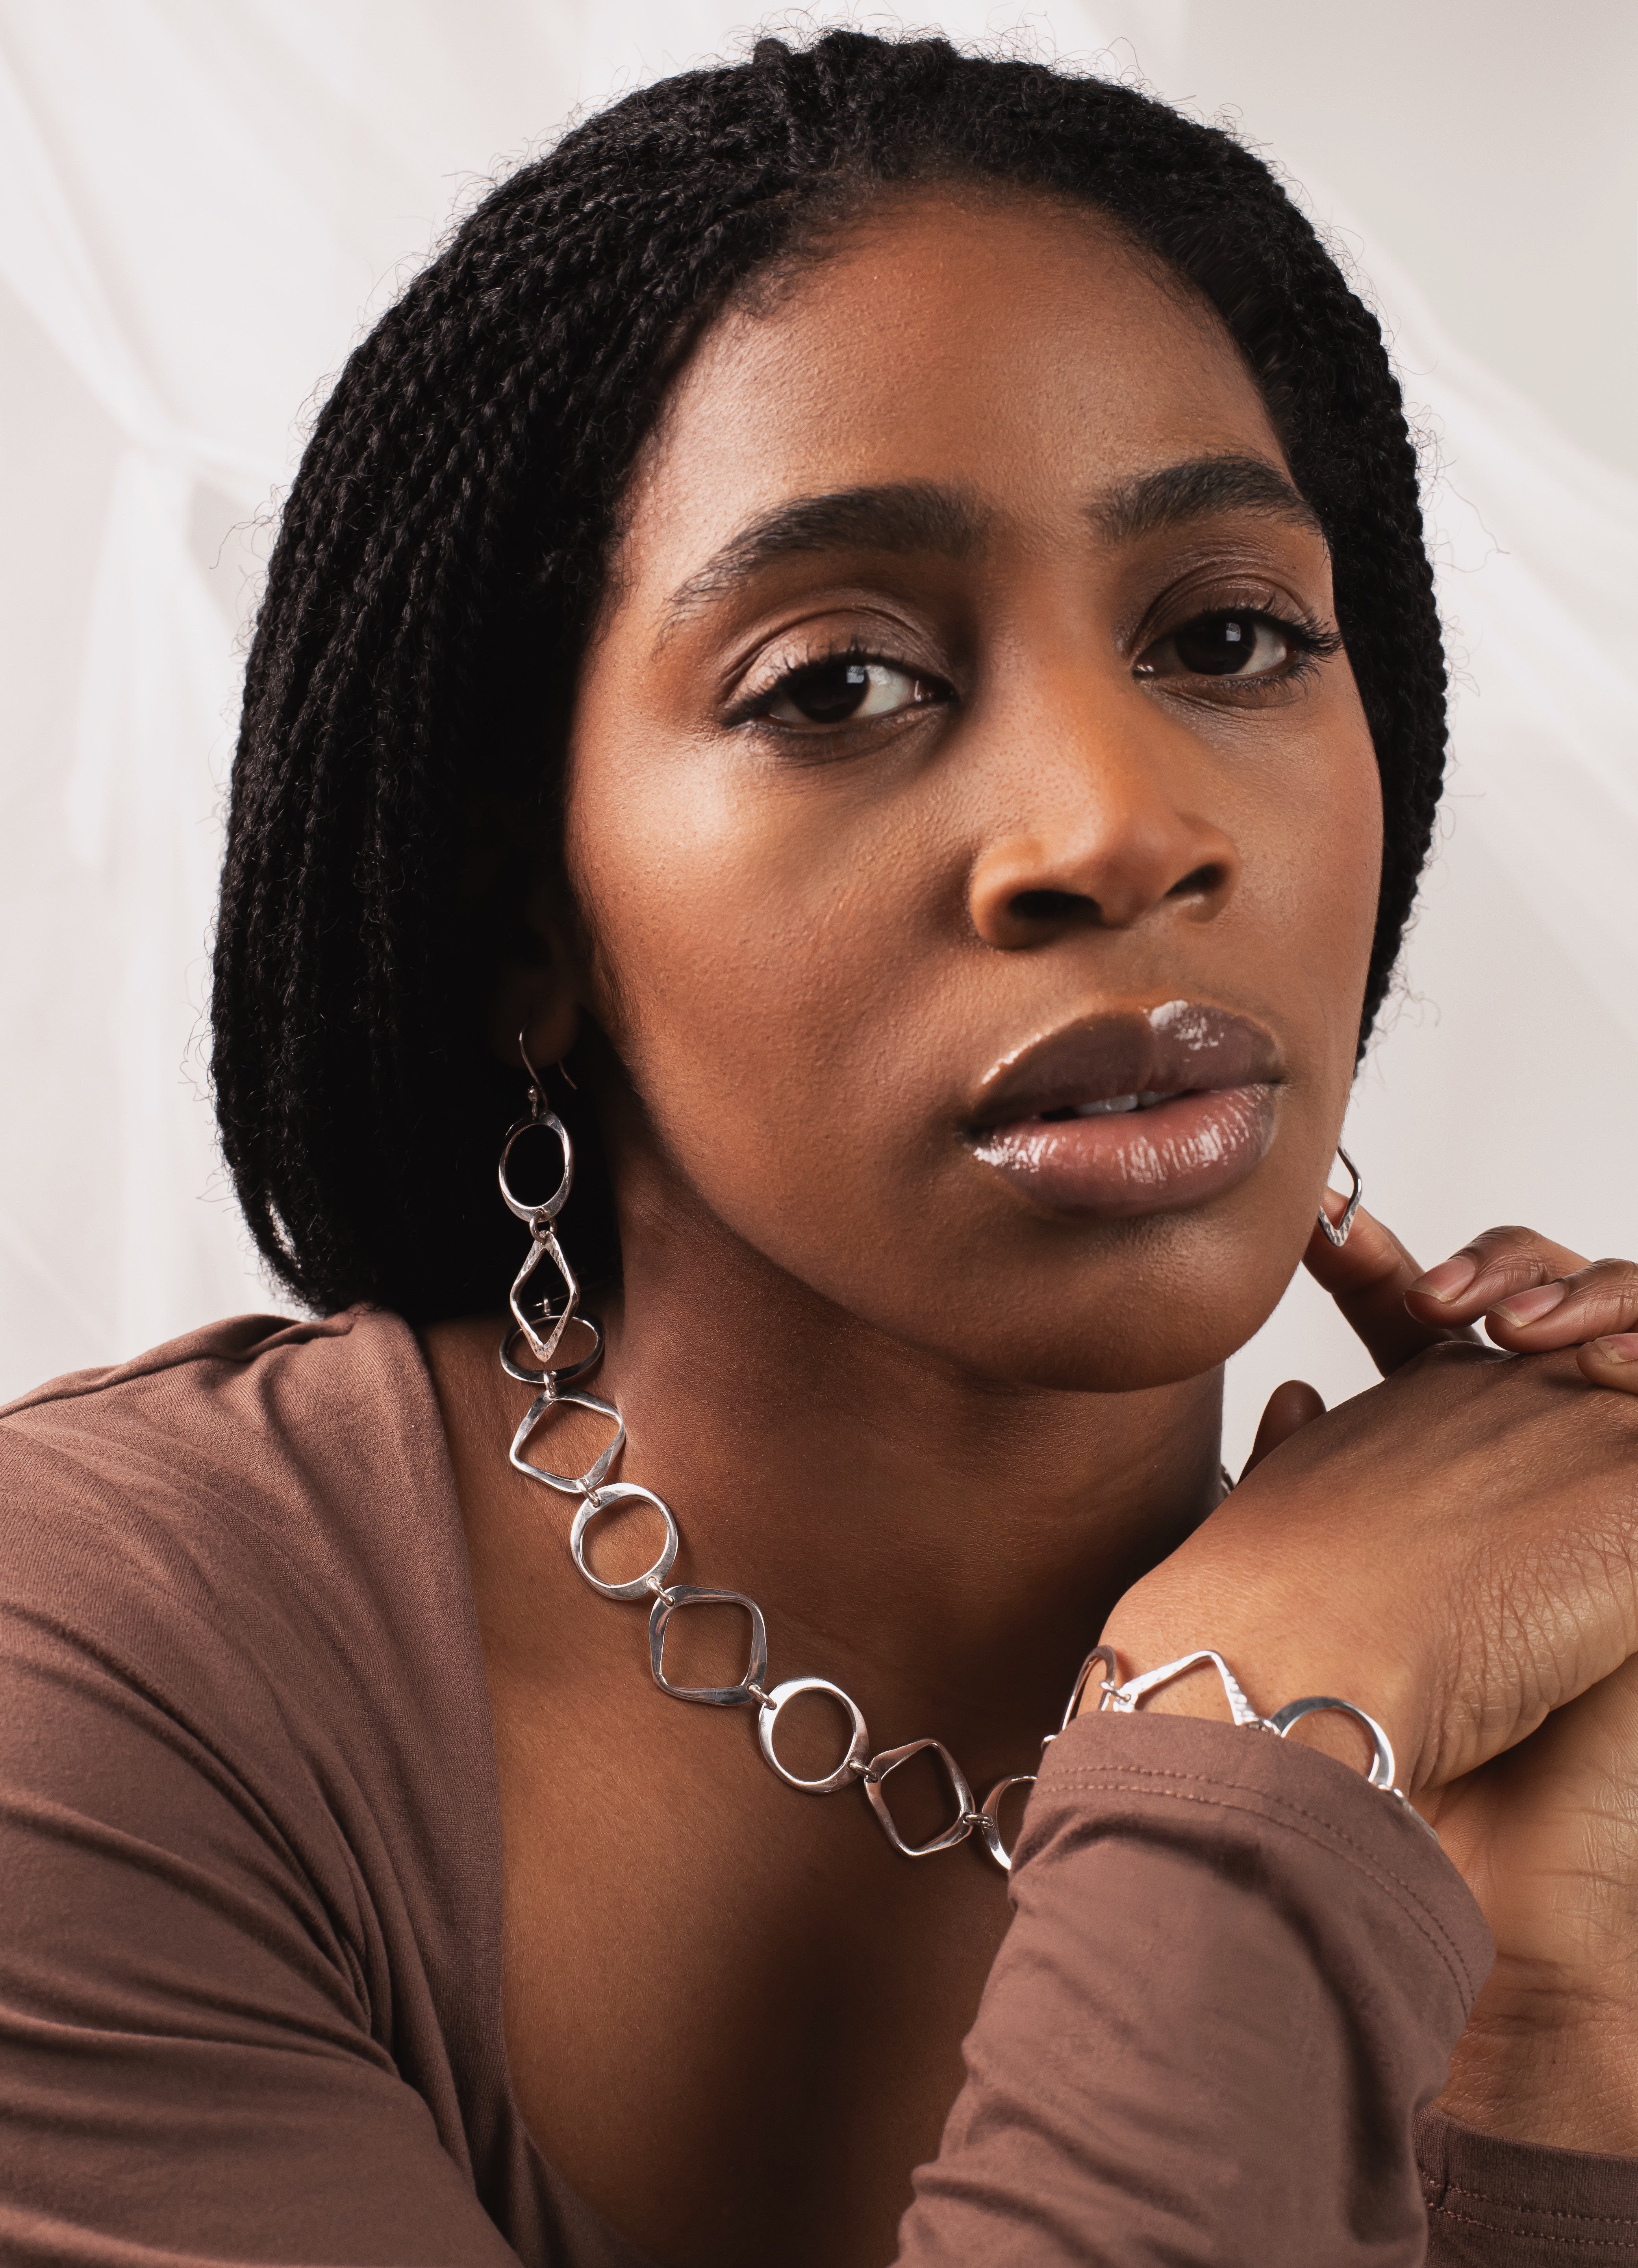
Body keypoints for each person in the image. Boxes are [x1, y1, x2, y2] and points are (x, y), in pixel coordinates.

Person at [4, 29, 1638, 2266]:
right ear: (522, 912)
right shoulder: (88, 1678)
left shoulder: (1559, 1654)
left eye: (1233, 636)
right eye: (838, 683)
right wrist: (1261, 1720)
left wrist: (1549, 2064)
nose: (1118, 829)